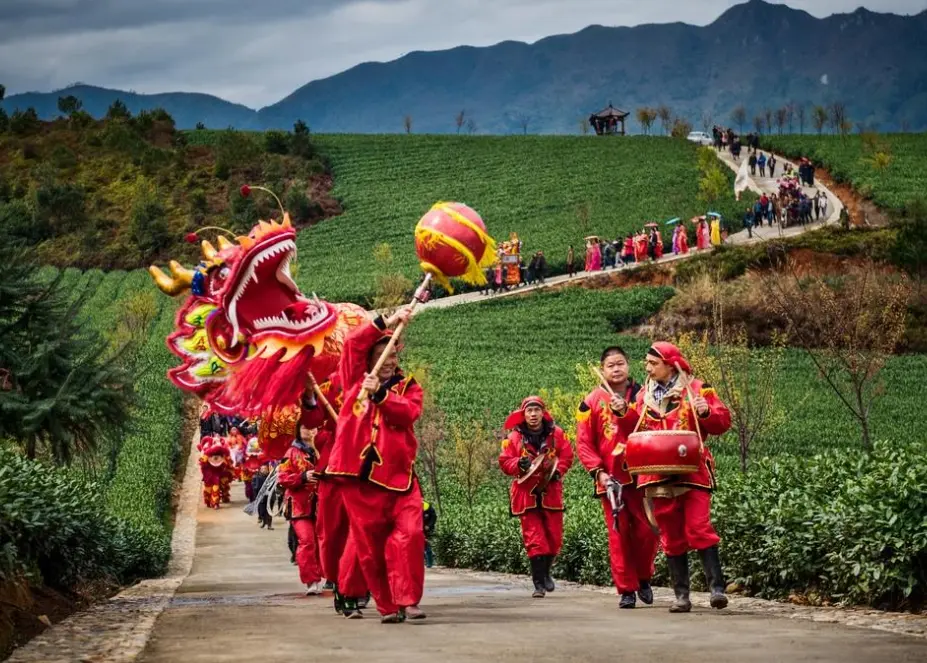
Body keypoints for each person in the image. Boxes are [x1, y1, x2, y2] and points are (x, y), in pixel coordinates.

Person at [611, 342, 732, 613]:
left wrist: (706, 412)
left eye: (653, 363)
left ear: (670, 363)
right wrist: (622, 412)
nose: (648, 367)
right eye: (647, 363)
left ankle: (716, 589)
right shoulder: (645, 396)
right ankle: (682, 596)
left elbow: (722, 422)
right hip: (657, 473)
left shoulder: (698, 389)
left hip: (692, 470)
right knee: (670, 533)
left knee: (699, 527)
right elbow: (634, 427)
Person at [325, 305, 426, 623]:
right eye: (383, 354)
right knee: (368, 546)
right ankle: (386, 604)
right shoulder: (355, 379)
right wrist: (388, 320)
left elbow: (407, 414)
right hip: (359, 481)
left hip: (400, 477)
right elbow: (354, 342)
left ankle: (408, 599)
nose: (389, 361)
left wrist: (381, 396)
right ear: (369, 359)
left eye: (393, 354)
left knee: (410, 533)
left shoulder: (408, 387)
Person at [576, 347, 657, 609]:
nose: (616, 369)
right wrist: (598, 472)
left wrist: (625, 412)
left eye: (620, 363)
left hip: (643, 474)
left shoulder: (645, 395)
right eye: (610, 365)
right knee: (618, 534)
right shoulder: (590, 402)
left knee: (648, 531)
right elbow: (584, 443)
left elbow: (650, 427)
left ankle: (644, 576)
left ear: (628, 366)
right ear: (603, 369)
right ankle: (626, 589)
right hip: (612, 479)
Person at [301, 371, 369, 615]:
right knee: (330, 537)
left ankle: (357, 588)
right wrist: (309, 394)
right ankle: (339, 582)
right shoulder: (330, 384)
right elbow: (312, 420)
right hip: (334, 472)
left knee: (363, 533)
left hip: (368, 470)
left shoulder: (378, 381)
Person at [498, 396, 574, 598]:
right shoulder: (514, 438)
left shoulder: (557, 434)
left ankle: (546, 571)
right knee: (535, 538)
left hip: (550, 492)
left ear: (543, 412)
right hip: (526, 493)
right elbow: (505, 461)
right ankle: (538, 583)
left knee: (555, 538)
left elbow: (566, 455)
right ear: (523, 414)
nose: (533, 414)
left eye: (536, 410)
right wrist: (518, 464)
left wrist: (558, 471)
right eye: (529, 411)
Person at [277, 425, 325, 596]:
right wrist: (302, 477)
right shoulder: (291, 452)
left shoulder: (324, 449)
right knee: (306, 541)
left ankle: (328, 576)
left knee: (324, 541)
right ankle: (311, 580)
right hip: (299, 505)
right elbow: (282, 478)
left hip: (323, 503)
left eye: (313, 427)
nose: (310, 430)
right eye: (305, 427)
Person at [423, 501, 437, 568]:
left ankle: (429, 563)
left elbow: (434, 517)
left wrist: (429, 525)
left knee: (427, 545)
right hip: (416, 529)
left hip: (426, 529)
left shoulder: (427, 506)